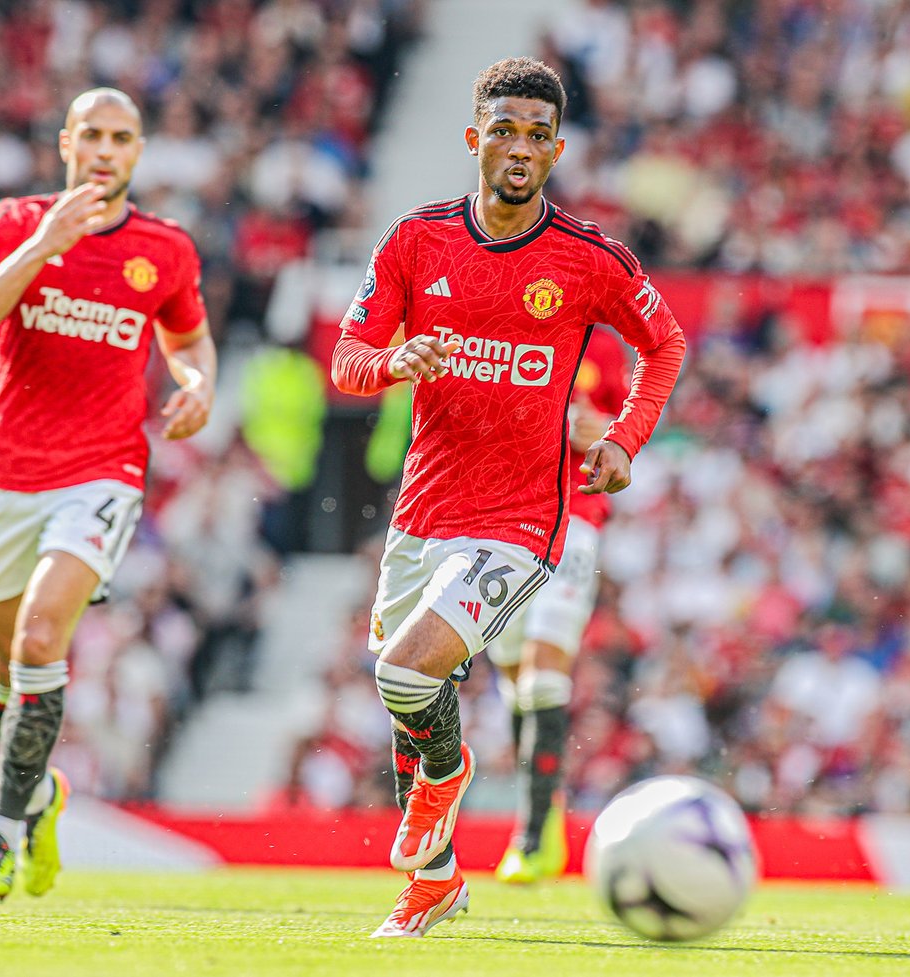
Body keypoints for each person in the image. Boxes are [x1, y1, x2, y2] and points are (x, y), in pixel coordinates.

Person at [331, 57, 686, 937]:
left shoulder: (588, 259)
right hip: (421, 513)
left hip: (521, 523)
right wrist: (391, 362)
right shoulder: (417, 241)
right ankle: (437, 881)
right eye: (503, 132)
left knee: (406, 670)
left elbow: (665, 344)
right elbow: (347, 359)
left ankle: (462, 789)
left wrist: (624, 441)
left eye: (536, 135)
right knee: (407, 707)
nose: (519, 148)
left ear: (556, 149)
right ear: (474, 140)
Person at [0, 88, 217, 899]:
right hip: (5, 471)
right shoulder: (13, 221)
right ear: (66, 142)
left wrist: (197, 381)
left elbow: (188, 332)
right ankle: (37, 793)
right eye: (91, 135)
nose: (104, 150)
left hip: (103, 470)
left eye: (121, 138)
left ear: (139, 151)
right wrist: (41, 247)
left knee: (37, 638)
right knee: (3, 656)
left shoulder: (165, 248)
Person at [488, 324, 628, 884]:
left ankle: (531, 831)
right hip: (504, 519)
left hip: (575, 520)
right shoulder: (498, 325)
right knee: (512, 674)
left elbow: (624, 425)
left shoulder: (602, 346)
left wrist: (606, 435)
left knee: (544, 675)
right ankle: (546, 805)